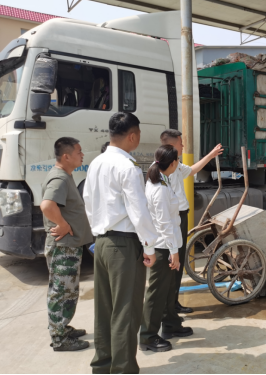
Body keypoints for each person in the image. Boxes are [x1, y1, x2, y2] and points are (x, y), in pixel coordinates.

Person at [84, 112, 159, 374]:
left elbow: (89, 202)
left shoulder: (96, 163)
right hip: (124, 246)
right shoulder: (128, 167)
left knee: (104, 311)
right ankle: (124, 369)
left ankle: (102, 366)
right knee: (126, 313)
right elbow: (139, 211)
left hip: (102, 242)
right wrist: (149, 247)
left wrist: (98, 232)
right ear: (133, 136)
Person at [159, 130, 223, 319]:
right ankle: (168, 307)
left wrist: (211, 155)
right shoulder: (165, 170)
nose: (183, 146)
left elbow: (192, 170)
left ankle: (173, 302)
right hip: (174, 217)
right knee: (173, 261)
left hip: (180, 215)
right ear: (171, 144)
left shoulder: (176, 165)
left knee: (177, 260)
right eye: (180, 143)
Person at [41, 137, 94, 352]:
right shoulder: (60, 178)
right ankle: (60, 339)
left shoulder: (65, 176)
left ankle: (63, 328)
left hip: (70, 246)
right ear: (66, 156)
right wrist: (62, 224)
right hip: (63, 246)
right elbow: (47, 205)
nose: (82, 155)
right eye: (79, 152)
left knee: (69, 291)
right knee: (61, 292)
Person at [140, 145, 193, 353]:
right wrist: (173, 252)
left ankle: (170, 324)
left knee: (169, 289)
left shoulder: (160, 179)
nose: (179, 164)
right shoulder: (160, 189)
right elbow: (164, 224)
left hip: (168, 244)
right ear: (171, 164)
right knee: (156, 292)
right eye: (177, 161)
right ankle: (147, 336)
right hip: (163, 247)